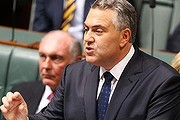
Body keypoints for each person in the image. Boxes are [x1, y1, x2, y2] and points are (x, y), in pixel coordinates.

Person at [1, 0, 180, 120]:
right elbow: (52, 117)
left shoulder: (162, 81)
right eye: (86, 29)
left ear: (124, 36)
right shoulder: (73, 73)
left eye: (98, 30)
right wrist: (23, 118)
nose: (87, 38)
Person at [10, 30, 82, 115]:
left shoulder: (84, 104)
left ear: (77, 63)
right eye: (42, 56)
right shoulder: (20, 93)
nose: (46, 66)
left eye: (56, 58)